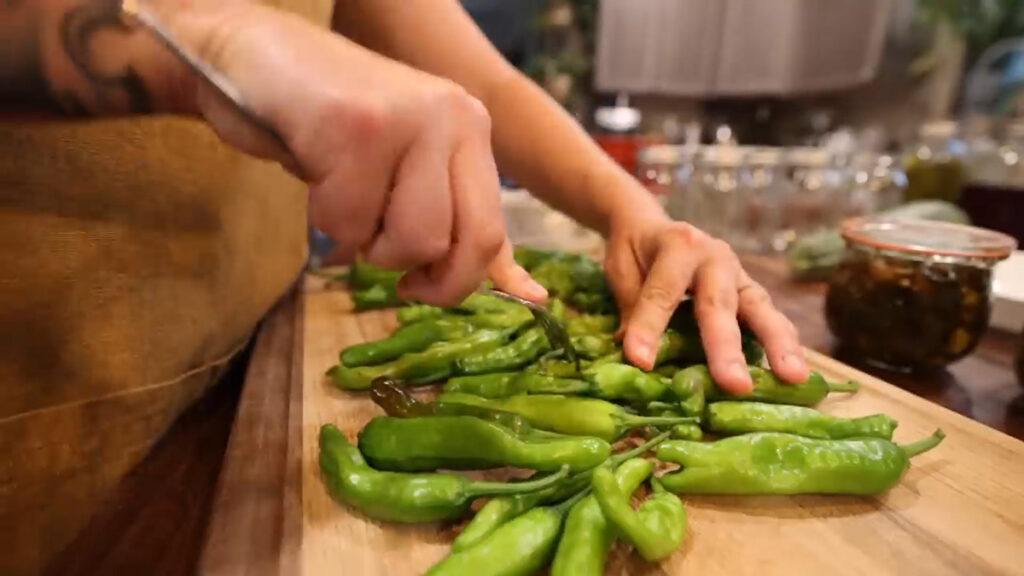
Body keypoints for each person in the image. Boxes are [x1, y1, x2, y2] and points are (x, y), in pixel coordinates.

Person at [0, 0, 806, 572]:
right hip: (47, 413)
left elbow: (476, 85)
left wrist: (632, 211)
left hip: (248, 357)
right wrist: (202, 36)